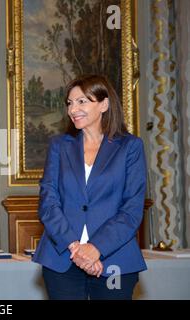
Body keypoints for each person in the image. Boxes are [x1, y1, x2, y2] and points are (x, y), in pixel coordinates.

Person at [32, 74, 147, 300]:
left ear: (104, 104)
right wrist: (76, 249)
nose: (73, 109)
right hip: (62, 259)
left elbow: (131, 209)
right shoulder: (58, 146)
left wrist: (96, 248)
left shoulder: (130, 147)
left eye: (82, 101)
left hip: (115, 260)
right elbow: (48, 202)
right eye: (69, 103)